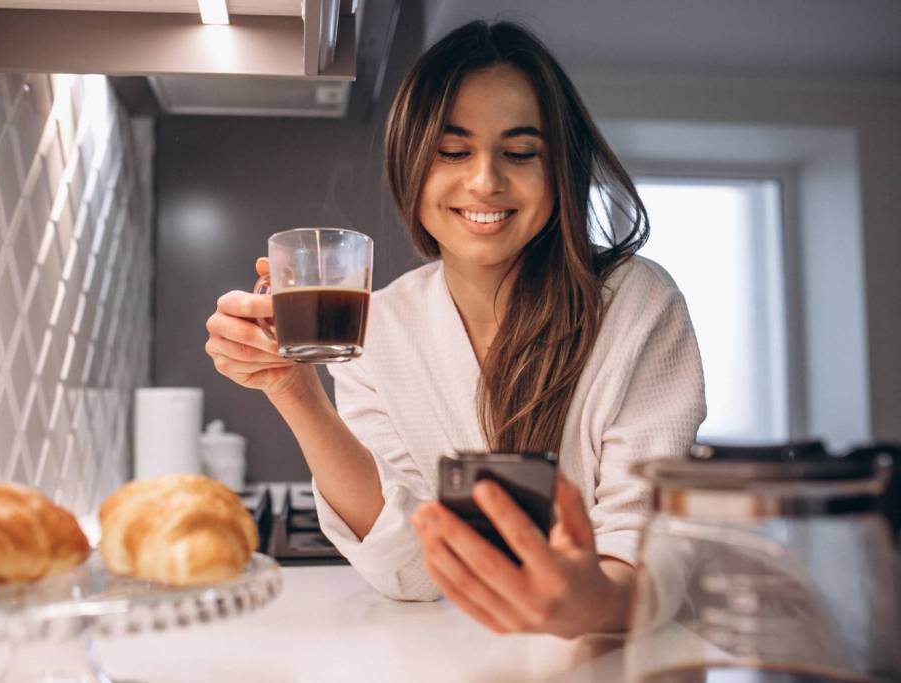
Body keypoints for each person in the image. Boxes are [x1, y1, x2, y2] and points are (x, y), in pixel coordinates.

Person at [204, 20, 705, 638]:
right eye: (453, 150)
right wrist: (295, 394)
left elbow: (648, 539)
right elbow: (411, 569)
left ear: (561, 168)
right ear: (411, 161)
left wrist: (595, 604)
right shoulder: (379, 326)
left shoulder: (636, 303)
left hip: (617, 656)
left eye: (520, 152)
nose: (485, 180)